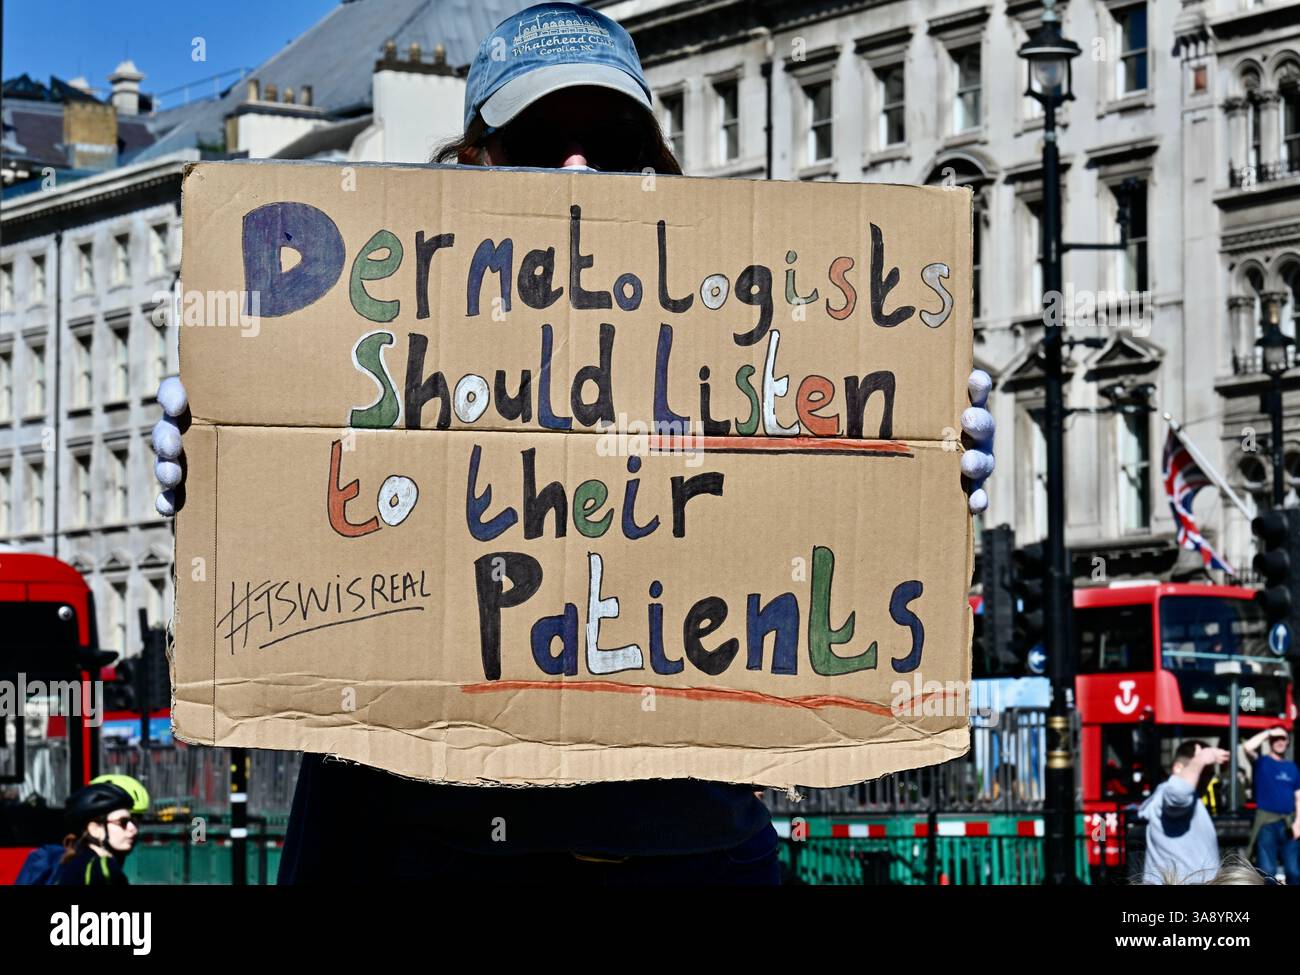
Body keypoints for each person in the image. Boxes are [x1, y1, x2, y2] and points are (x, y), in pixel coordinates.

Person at [150, 2, 996, 884]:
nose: (580, 162)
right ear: (472, 160)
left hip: (686, 855)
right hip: (432, 850)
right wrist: (216, 463)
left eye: (612, 139)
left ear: (656, 168)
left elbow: (828, 515)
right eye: (541, 135)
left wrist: (929, 467)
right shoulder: (379, 328)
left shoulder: (733, 328)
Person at [1137, 740, 1230, 885]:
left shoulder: (1192, 799)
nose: (1206, 779)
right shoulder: (1168, 793)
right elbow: (1178, 794)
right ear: (1177, 768)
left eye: (1209, 774)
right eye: (1202, 771)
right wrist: (1200, 760)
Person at [1241, 726, 1300, 884]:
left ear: (1288, 742)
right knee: (1268, 871)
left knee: (1294, 871)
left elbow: (1298, 797)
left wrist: (1298, 823)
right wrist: (1269, 733)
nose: (1280, 742)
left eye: (1283, 738)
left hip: (1289, 823)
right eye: (1276, 739)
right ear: (1270, 741)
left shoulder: (1292, 767)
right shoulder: (1261, 762)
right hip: (1266, 824)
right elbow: (1247, 747)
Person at [55, 781, 141, 886]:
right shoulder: (103, 870)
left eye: (133, 821)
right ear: (95, 829)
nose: (132, 828)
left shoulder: (76, 862)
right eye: (123, 822)